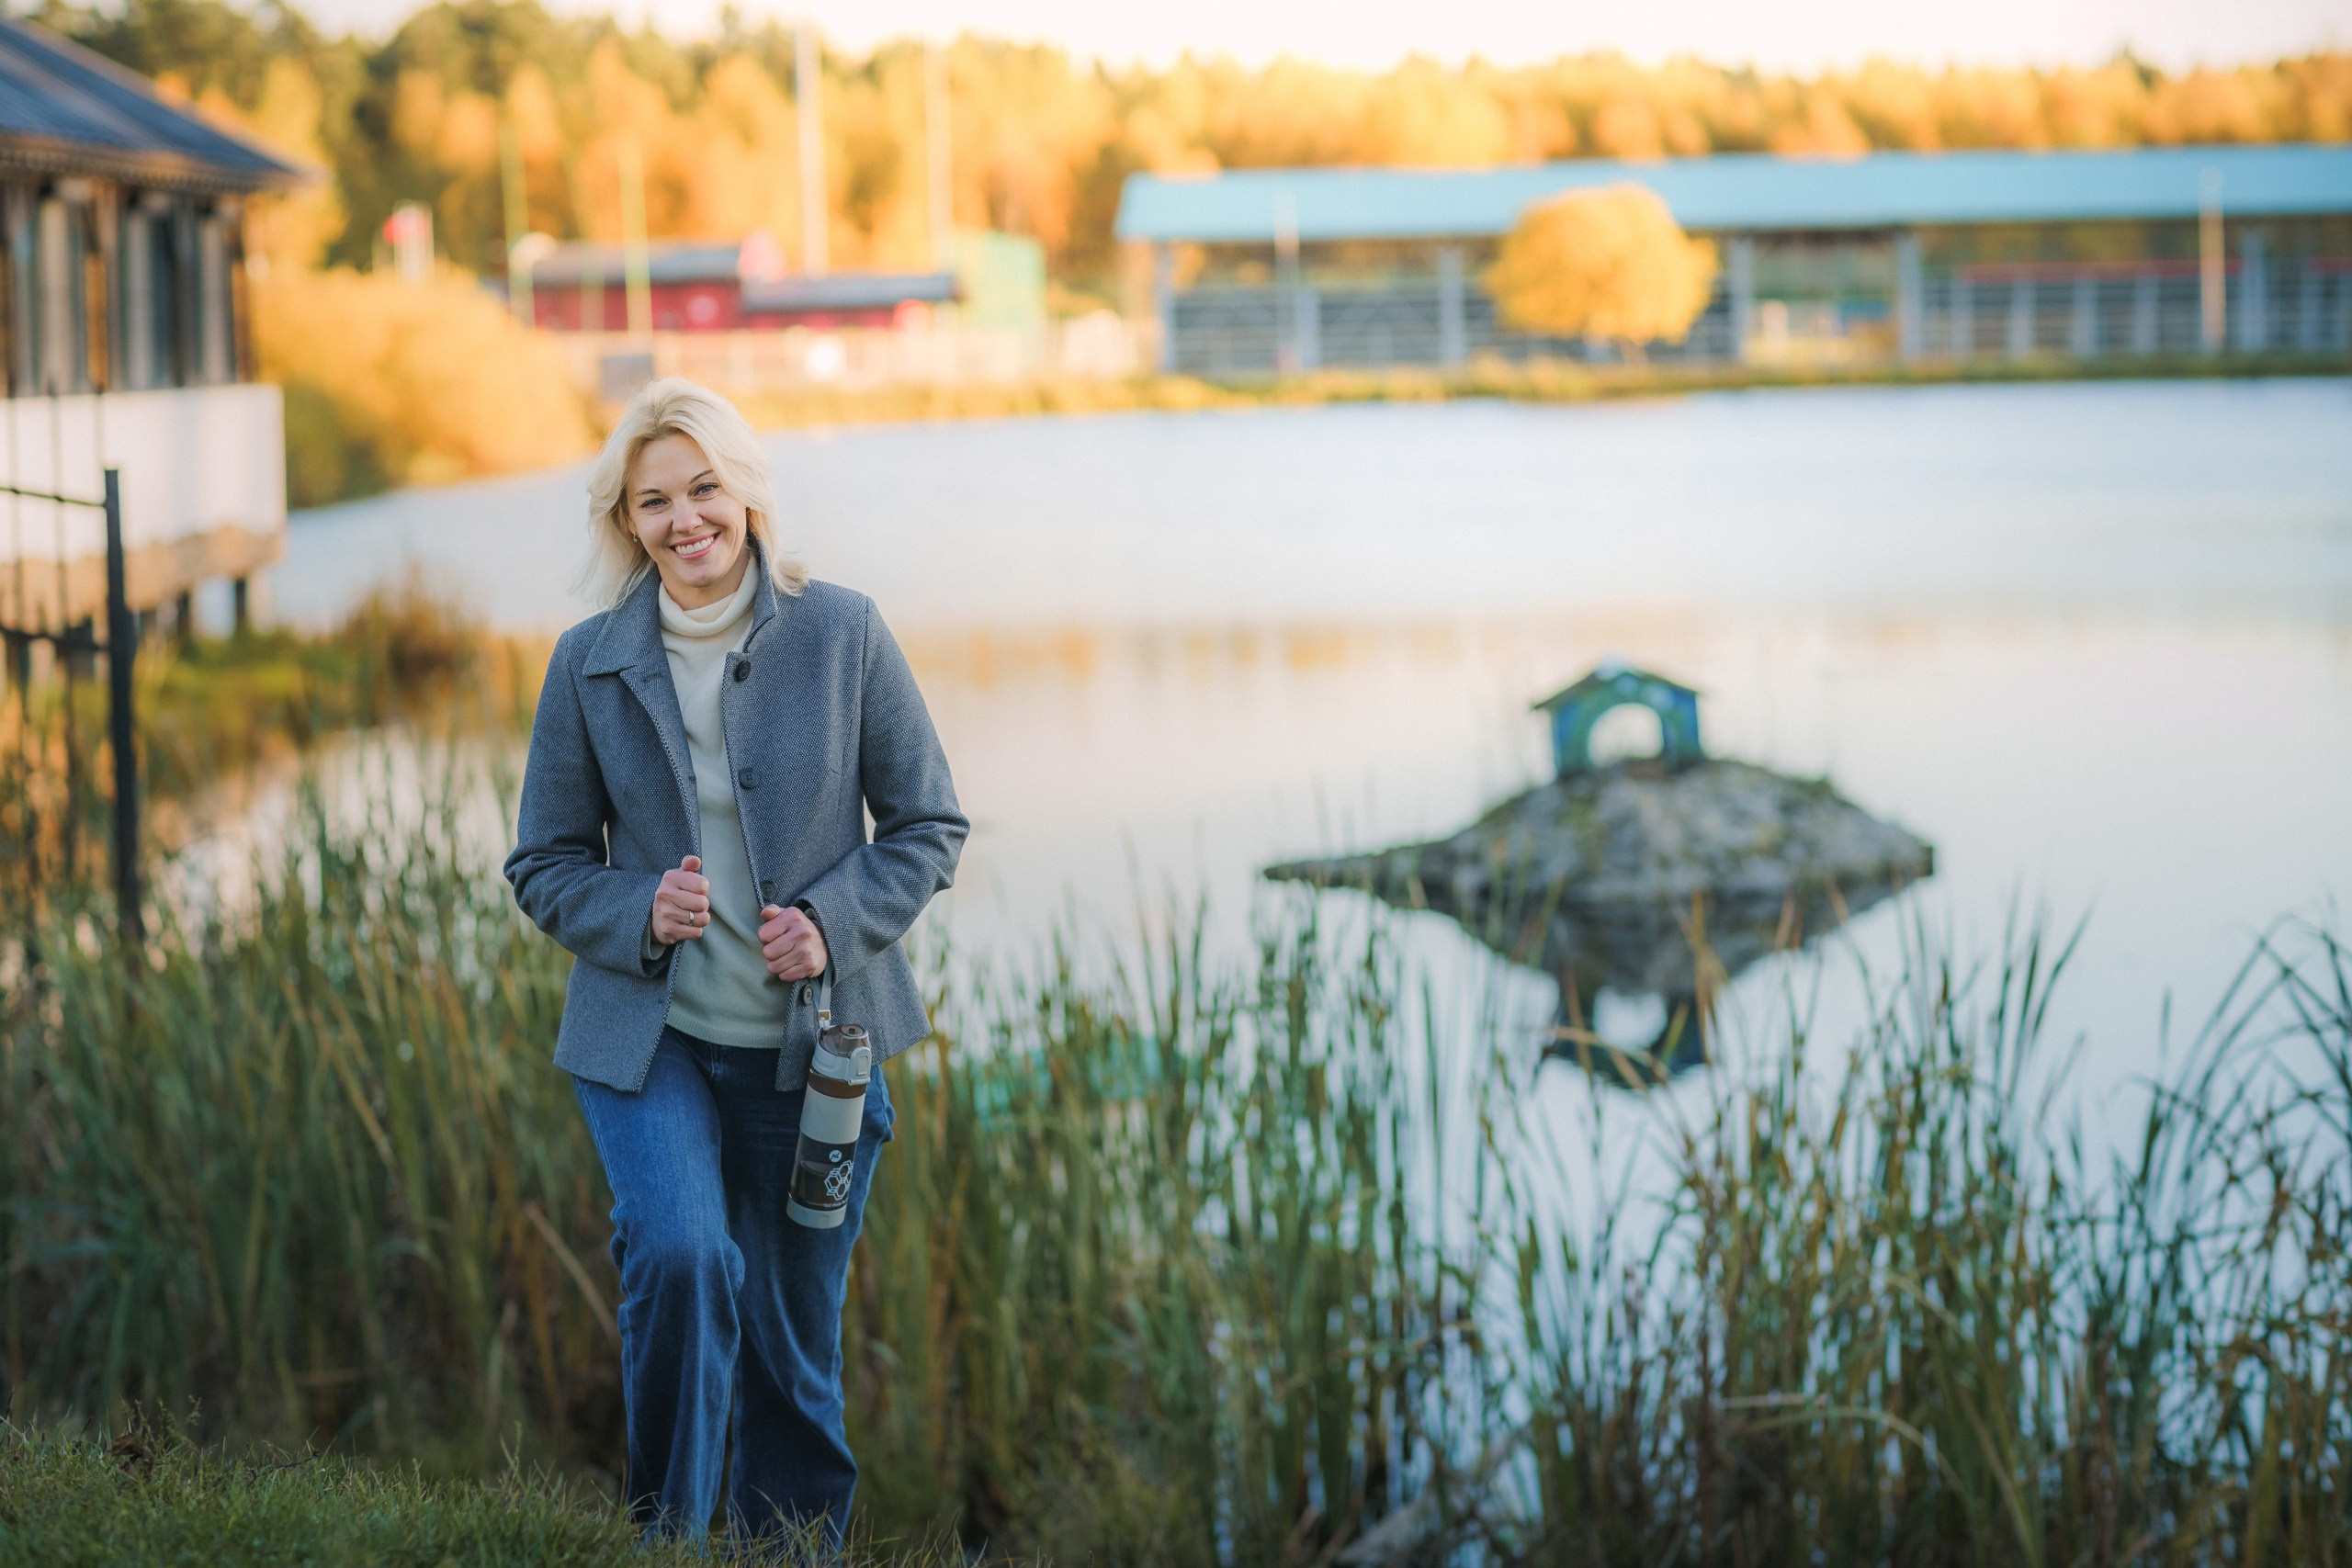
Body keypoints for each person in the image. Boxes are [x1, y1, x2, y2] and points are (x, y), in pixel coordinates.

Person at [504, 378, 967, 1545]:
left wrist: (833, 919)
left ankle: (793, 1549)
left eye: (703, 487)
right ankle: (668, 1537)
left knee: (794, 1352)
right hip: (649, 1047)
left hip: (816, 1060)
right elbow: (543, 864)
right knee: (681, 1253)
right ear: (627, 522)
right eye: (654, 501)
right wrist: (634, 907)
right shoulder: (587, 664)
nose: (684, 519)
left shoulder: (843, 630)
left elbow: (927, 826)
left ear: (746, 493)